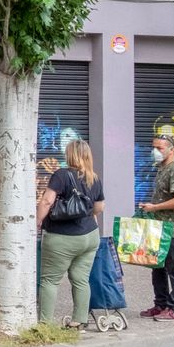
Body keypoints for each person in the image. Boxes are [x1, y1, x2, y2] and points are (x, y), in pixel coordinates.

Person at [36, 138, 106, 327]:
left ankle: (45, 325)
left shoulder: (61, 175)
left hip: (62, 238)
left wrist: (37, 220)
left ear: (70, 154)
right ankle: (79, 322)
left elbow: (47, 201)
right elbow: (99, 207)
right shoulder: (94, 177)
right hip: (90, 237)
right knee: (81, 280)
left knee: (49, 281)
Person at [139, 134, 174, 321]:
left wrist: (155, 207)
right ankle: (160, 304)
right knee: (158, 268)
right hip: (161, 227)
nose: (155, 151)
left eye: (160, 148)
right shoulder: (162, 167)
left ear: (172, 149)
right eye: (154, 147)